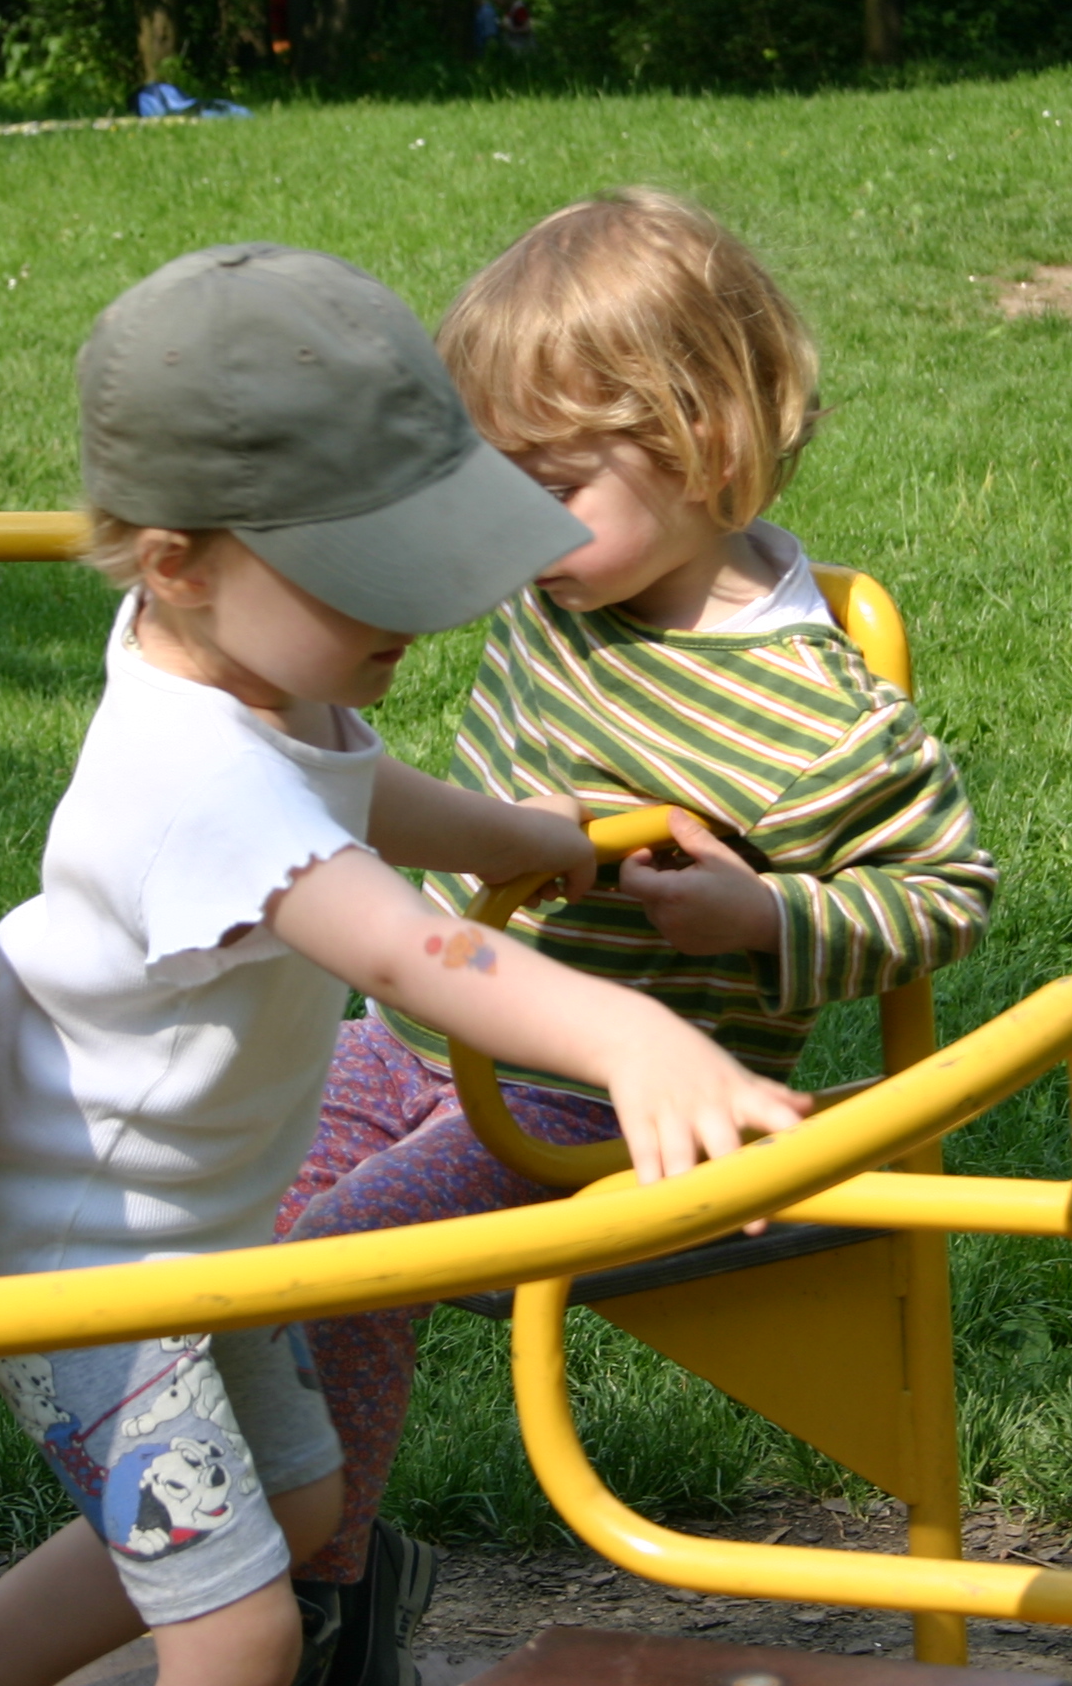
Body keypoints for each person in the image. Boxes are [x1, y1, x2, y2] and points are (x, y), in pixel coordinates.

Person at [0, 244, 812, 1686]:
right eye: (365, 576)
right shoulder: (201, 785)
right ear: (177, 560)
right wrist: (632, 1037)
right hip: (81, 1257)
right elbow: (413, 952)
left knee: (301, 1507)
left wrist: (528, 835)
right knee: (240, 1629)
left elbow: (353, 794)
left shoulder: (234, 661)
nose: (413, 612)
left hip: (190, 1231)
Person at [272, 189, 1000, 1686]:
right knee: (236, 1234)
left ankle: (314, 1608)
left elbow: (944, 893)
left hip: (595, 1109)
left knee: (335, 1268)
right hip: (412, 1040)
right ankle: (291, 1562)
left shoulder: (815, 710)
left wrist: (764, 913)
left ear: (706, 443)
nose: (510, 527)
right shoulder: (555, 597)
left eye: (548, 484)